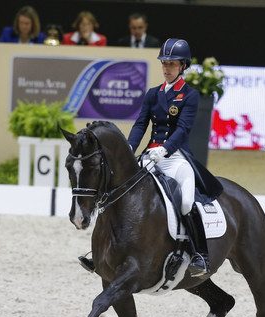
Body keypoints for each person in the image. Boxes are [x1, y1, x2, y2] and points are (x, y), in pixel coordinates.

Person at [79, 38, 222, 278]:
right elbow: (140, 124)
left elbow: (183, 128)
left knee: (186, 202)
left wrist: (165, 149)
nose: (167, 68)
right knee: (118, 191)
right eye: (164, 63)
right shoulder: (153, 94)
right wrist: (129, 149)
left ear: (182, 65)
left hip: (176, 158)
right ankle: (103, 251)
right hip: (149, 157)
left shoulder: (190, 95)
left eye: (172, 64)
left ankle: (199, 255)